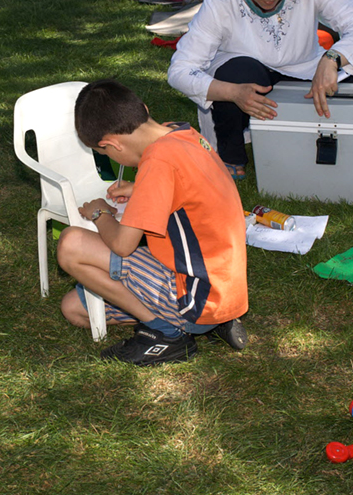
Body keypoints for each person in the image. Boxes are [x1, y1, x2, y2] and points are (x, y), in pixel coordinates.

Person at [57, 79, 249, 366]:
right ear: (143, 110)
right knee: (74, 308)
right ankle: (215, 323)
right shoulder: (181, 133)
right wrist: (141, 188)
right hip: (225, 289)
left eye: (105, 153)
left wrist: (101, 213)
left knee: (71, 244)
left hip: (196, 298)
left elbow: (123, 245)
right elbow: (192, 183)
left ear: (110, 144)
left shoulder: (158, 163)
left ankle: (166, 334)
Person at [167, 0, 353, 181]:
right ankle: (231, 154)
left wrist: (332, 59)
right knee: (237, 73)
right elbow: (179, 70)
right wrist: (232, 93)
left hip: (304, 69)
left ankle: (327, 145)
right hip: (247, 74)